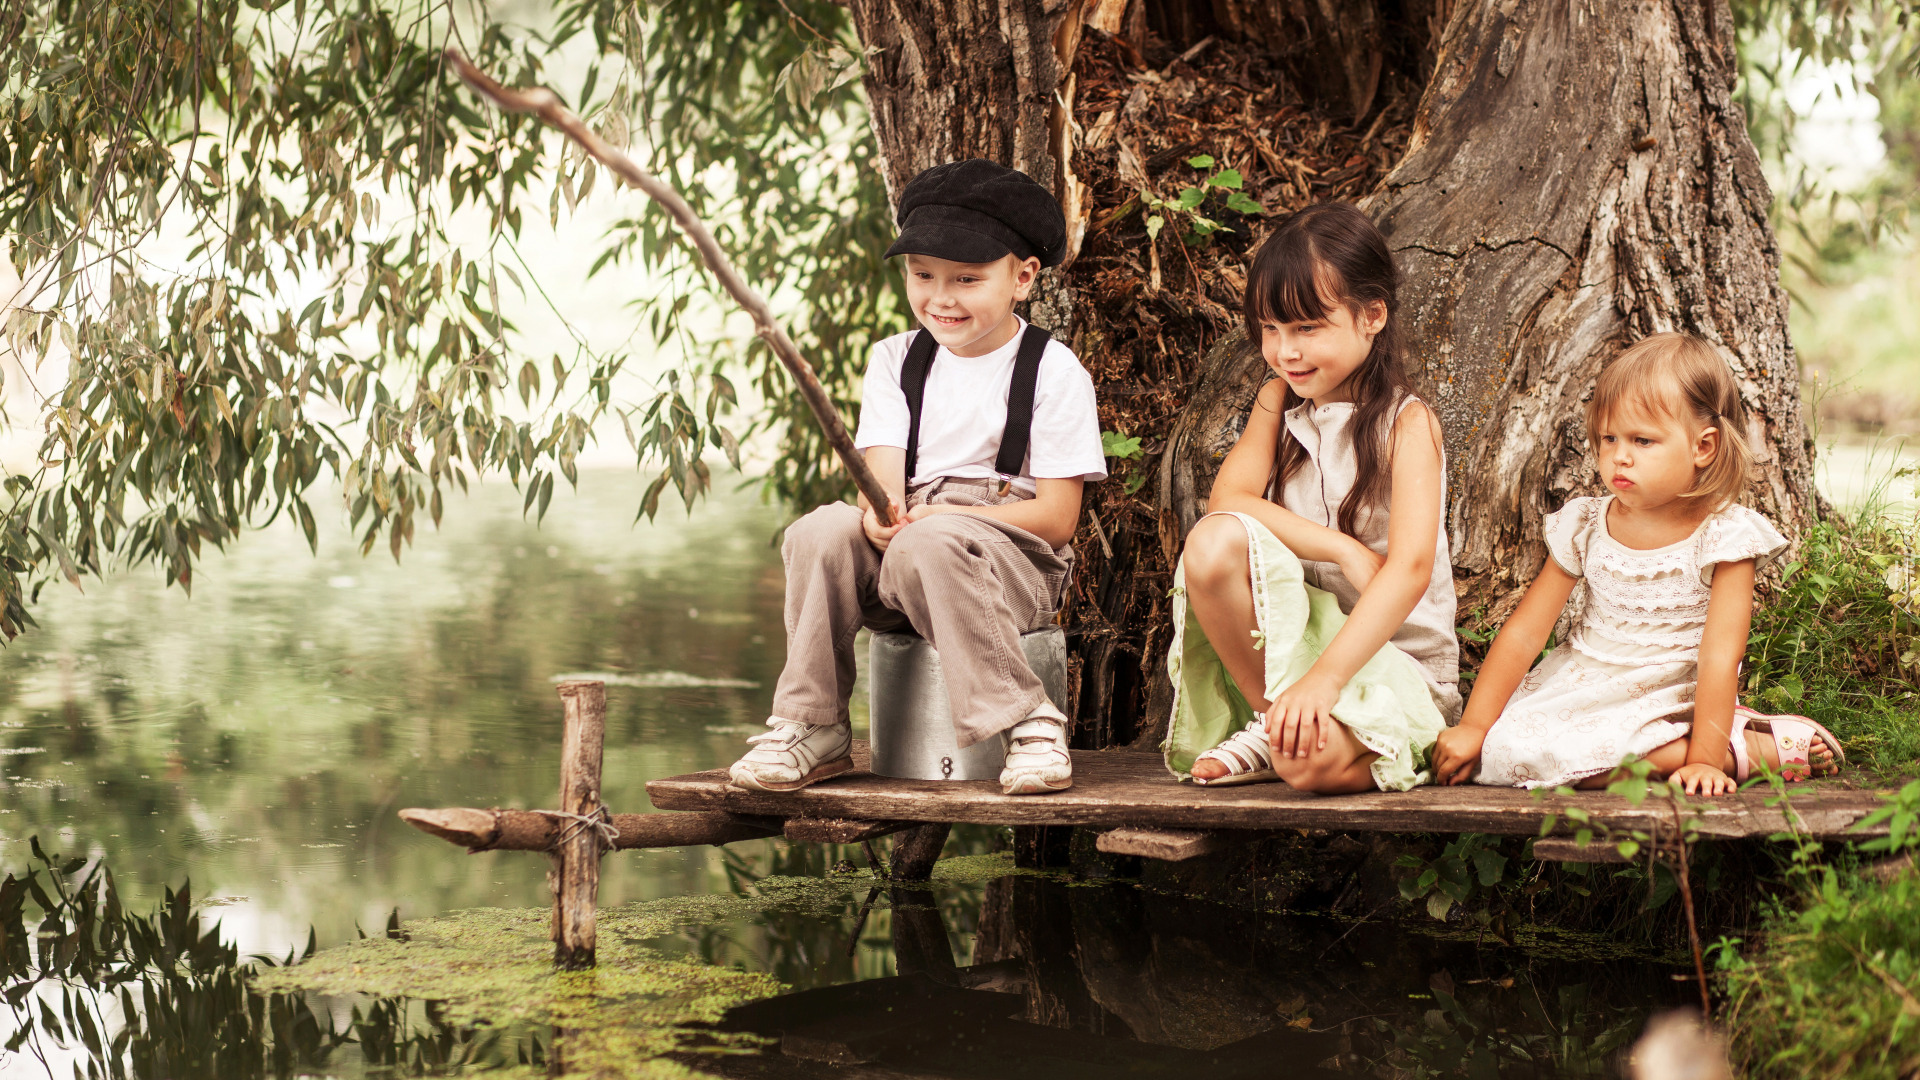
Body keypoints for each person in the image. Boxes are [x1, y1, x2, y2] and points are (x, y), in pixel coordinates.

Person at [727, 159, 1106, 797]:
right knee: (820, 530)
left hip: (1010, 566)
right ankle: (813, 723)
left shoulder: (1052, 369)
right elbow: (880, 485)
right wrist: (881, 517)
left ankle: (1029, 721)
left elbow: (1057, 520)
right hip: (905, 557)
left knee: (930, 541)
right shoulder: (896, 360)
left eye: (967, 279)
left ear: (1022, 277)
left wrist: (947, 521)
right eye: (923, 274)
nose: (941, 298)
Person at [1433, 332, 1843, 794]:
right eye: (1609, 438)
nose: (1619, 457)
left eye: (1643, 440)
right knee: (1502, 752)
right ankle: (1723, 747)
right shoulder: (1586, 524)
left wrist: (1704, 763)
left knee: (1602, 761)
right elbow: (1526, 632)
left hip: (1669, 695)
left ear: (1703, 447)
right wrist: (1474, 726)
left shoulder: (1724, 538)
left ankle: (1737, 750)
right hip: (1584, 687)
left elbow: (1720, 656)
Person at [1165, 202, 1459, 794]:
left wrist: (1326, 681)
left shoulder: (1408, 423)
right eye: (1270, 329)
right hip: (1296, 655)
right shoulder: (1277, 401)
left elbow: (1408, 571)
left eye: (1306, 328)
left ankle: (1299, 733)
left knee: (1305, 766)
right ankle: (1273, 718)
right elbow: (1228, 500)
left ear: (1371, 316)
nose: (1285, 352)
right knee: (1213, 541)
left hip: (1396, 663)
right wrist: (1341, 549)